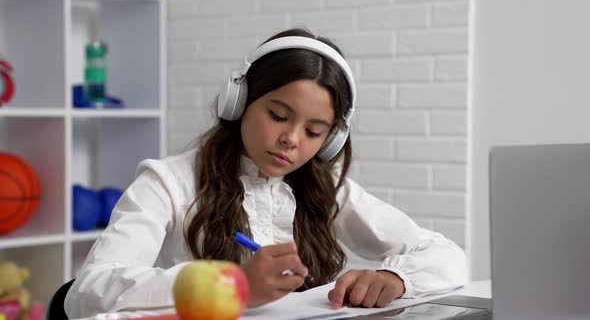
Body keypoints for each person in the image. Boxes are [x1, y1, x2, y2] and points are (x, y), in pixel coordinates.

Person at [64, 28, 467, 318]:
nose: (291, 140)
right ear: (238, 101)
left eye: (314, 132)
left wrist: (393, 278)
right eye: (277, 115)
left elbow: (447, 257)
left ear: (330, 141)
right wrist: (228, 287)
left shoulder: (325, 188)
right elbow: (87, 292)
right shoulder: (167, 183)